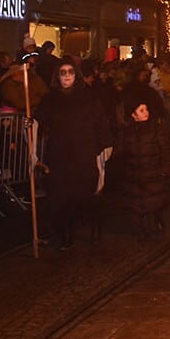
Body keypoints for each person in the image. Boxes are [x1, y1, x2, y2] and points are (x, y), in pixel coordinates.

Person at [35, 60, 111, 250]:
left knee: (85, 196)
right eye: (63, 72)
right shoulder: (50, 99)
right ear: (57, 76)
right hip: (59, 155)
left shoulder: (89, 97)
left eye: (70, 72)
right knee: (61, 197)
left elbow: (100, 125)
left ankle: (94, 230)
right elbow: (39, 119)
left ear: (76, 75)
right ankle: (65, 235)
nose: (67, 75)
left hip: (84, 153)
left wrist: (102, 149)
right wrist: (31, 123)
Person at [119, 96, 170, 241]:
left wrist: (164, 168)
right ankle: (144, 230)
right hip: (135, 174)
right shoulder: (127, 132)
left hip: (152, 172)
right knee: (138, 204)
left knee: (155, 202)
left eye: (146, 109)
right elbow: (123, 153)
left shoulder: (155, 128)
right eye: (141, 110)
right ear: (133, 115)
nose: (146, 112)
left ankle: (157, 223)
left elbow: (165, 149)